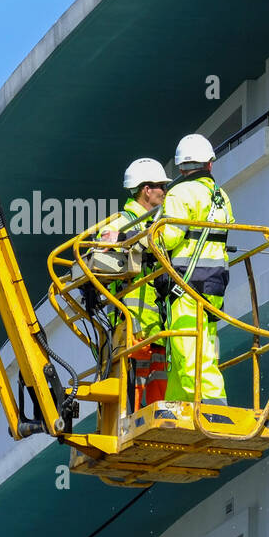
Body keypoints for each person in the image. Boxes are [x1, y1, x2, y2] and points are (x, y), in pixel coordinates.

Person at [156, 133, 234, 405]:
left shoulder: (180, 192)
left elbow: (169, 237)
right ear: (209, 164)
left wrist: (146, 239)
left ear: (180, 168)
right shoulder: (221, 196)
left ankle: (213, 406)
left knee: (188, 348)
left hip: (186, 286)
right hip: (214, 284)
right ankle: (178, 406)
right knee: (200, 346)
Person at [100, 157, 170, 407]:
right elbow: (102, 259)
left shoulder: (157, 222)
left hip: (156, 328)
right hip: (132, 326)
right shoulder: (119, 223)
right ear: (146, 189)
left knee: (158, 392)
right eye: (161, 186)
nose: (165, 191)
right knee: (135, 396)